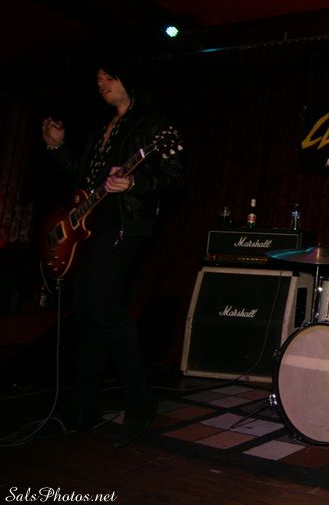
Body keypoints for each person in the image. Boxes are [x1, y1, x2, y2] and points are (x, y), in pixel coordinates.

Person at [41, 61, 184, 448]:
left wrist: (135, 181)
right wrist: (57, 146)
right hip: (88, 229)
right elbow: (81, 177)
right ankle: (85, 407)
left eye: (109, 77)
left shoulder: (153, 123)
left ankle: (141, 402)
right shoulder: (100, 127)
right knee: (88, 314)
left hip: (122, 226)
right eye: (98, 79)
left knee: (105, 309)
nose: (101, 83)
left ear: (129, 78)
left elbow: (174, 178)